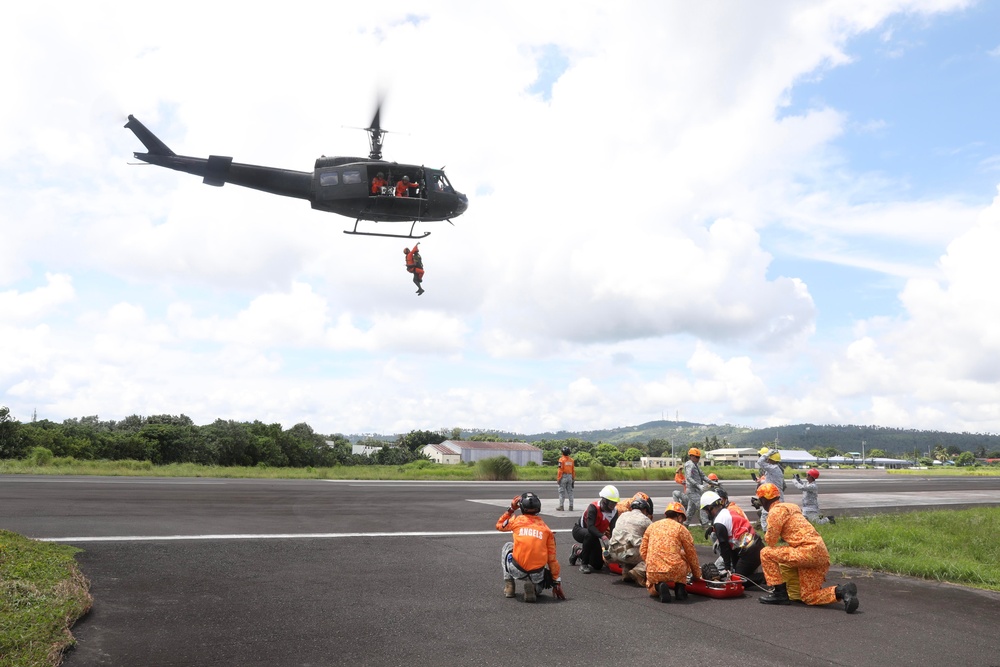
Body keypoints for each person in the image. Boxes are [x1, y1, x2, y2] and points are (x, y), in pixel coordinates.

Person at [755, 483, 859, 613]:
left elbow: (771, 541)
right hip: (820, 553)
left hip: (805, 552)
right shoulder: (792, 507)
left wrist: (764, 521)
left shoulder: (775, 511)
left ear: (763, 500)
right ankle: (842, 592)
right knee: (808, 596)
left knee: (765, 553)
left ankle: (779, 594)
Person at [496, 491, 565, 602]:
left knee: (507, 546)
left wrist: (512, 509)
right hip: (536, 573)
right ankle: (534, 588)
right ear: (538, 508)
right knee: (542, 577)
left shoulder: (516, 521)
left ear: (522, 507)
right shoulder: (546, 530)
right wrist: (556, 582)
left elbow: (499, 525)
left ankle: (509, 586)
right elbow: (552, 559)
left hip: (517, 569)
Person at [640, 501, 701, 603]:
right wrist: (696, 575)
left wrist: (651, 563)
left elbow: (643, 551)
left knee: (650, 585)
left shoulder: (652, 526)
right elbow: (691, 554)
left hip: (654, 570)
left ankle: (659, 587)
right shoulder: (681, 529)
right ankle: (680, 588)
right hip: (676, 570)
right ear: (679, 517)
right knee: (684, 557)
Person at [701, 490, 764, 586]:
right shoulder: (727, 511)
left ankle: (769, 579)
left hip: (750, 550)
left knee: (738, 580)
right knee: (736, 573)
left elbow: (724, 546)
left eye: (706, 510)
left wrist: (727, 568)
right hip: (754, 546)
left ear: (710, 507)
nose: (706, 513)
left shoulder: (719, 521)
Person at [569, 485, 620, 574]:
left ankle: (578, 551)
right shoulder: (593, 507)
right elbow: (590, 527)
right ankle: (584, 564)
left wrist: (613, 544)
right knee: (589, 534)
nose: (613, 505)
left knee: (598, 565)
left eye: (615, 503)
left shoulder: (614, 512)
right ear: (605, 500)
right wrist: (603, 537)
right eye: (612, 503)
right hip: (580, 531)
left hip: (594, 536)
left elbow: (613, 529)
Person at [607, 495, 653, 587]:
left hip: (613, 554)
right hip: (629, 554)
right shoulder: (645, 520)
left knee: (626, 543)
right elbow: (656, 537)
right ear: (644, 510)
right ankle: (639, 571)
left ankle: (626, 572)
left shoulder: (622, 515)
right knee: (653, 552)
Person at [756, 448, 785, 532]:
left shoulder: (774, 468)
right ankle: (779, 532)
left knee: (765, 516)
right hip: (775, 496)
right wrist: (761, 481)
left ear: (772, 460)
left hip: (774, 497)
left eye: (769, 459)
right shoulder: (775, 469)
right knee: (776, 516)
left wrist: (767, 453)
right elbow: (769, 481)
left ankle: (767, 533)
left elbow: (760, 462)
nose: (767, 460)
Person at [684, 448, 711, 528]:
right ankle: (705, 525)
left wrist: (713, 482)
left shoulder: (696, 465)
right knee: (701, 505)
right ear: (691, 456)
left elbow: (703, 476)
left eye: (699, 457)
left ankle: (685, 526)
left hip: (696, 490)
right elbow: (688, 477)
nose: (698, 459)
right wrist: (698, 485)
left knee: (690, 511)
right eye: (696, 457)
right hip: (692, 490)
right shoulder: (689, 464)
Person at [556, 447, 575, 511]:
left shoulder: (561, 460)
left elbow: (560, 470)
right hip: (570, 476)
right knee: (570, 492)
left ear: (562, 453)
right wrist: (573, 478)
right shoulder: (571, 460)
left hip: (563, 476)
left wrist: (558, 478)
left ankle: (561, 506)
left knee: (561, 492)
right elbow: (573, 470)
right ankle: (571, 506)